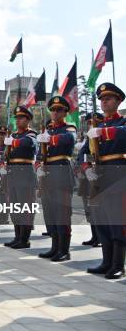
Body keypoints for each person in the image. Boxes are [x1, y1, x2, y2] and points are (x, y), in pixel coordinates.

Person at [81, 82, 126, 279]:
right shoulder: (96, 127)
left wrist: (104, 133)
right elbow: (85, 154)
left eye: (108, 98)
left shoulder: (121, 123)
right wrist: (86, 168)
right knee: (102, 221)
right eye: (101, 99)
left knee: (117, 221)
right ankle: (106, 262)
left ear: (118, 101)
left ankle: (118, 264)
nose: (103, 102)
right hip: (99, 177)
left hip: (118, 176)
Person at [36, 96, 76, 261]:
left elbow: (70, 139)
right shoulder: (48, 130)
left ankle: (64, 250)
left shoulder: (69, 128)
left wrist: (50, 139)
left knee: (62, 213)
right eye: (52, 109)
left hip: (61, 174)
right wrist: (38, 166)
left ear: (65, 112)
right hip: (47, 176)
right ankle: (54, 247)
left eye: (59, 110)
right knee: (50, 212)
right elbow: (39, 154)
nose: (55, 112)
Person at [2, 106, 38, 249]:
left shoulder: (31, 134)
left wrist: (13, 142)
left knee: (25, 207)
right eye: (16, 118)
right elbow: (6, 153)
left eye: (21, 118)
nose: (18, 121)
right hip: (13, 174)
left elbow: (29, 143)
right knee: (14, 207)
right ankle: (17, 237)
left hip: (25, 174)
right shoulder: (14, 135)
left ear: (28, 120)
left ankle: (24, 239)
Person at [77, 113, 104, 247]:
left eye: (93, 122)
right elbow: (82, 154)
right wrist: (86, 167)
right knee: (91, 208)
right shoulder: (90, 137)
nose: (91, 125)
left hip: (104, 176)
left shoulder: (103, 134)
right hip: (91, 176)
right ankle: (95, 236)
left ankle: (102, 237)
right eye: (89, 123)